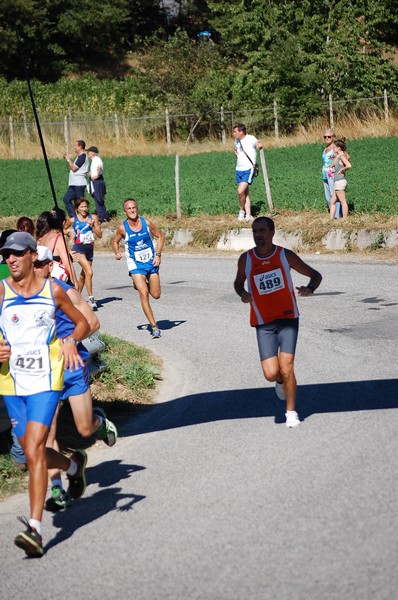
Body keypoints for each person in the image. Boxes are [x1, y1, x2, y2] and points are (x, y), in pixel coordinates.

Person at [0, 232, 90, 557]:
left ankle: (35, 529)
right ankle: (72, 466)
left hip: (45, 379)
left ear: (30, 256)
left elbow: (82, 324)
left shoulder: (52, 291)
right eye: (5, 255)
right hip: (11, 382)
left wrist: (69, 341)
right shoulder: (1, 291)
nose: (9, 260)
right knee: (29, 452)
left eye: (15, 254)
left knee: (36, 447)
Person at [32, 245, 117, 511]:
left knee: (83, 429)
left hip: (71, 365)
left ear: (49, 265)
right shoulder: (22, 298)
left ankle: (99, 422)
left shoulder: (65, 291)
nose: (36, 269)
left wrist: (70, 340)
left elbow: (93, 322)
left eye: (40, 264)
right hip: (43, 372)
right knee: (48, 432)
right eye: (32, 264)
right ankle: (57, 489)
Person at [234, 217, 322, 428]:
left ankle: (290, 411)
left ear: (272, 232)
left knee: (287, 366)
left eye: (262, 230)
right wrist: (243, 293)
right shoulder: (246, 259)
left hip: (288, 318)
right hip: (263, 322)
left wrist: (310, 288)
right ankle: (280, 381)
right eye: (255, 231)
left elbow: (315, 275)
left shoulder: (285, 256)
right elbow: (238, 283)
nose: (258, 235)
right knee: (271, 373)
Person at [112, 199, 165, 339]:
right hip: (135, 264)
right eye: (129, 208)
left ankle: (137, 284)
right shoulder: (122, 228)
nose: (132, 210)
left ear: (137, 208)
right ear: (125, 212)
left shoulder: (146, 223)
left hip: (150, 262)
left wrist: (158, 255)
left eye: (134, 207)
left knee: (156, 295)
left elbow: (160, 236)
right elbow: (115, 241)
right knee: (144, 292)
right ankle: (154, 326)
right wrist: (116, 252)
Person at [65, 197, 102, 310]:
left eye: (86, 206)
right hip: (79, 248)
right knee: (89, 272)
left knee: (83, 275)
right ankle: (91, 299)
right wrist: (69, 233)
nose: (84, 209)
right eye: (82, 207)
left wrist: (92, 227)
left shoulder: (93, 217)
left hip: (89, 248)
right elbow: (63, 229)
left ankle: (77, 298)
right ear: (77, 208)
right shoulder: (72, 220)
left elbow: (99, 234)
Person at [36, 209, 79, 288]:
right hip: (55, 282)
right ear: (63, 223)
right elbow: (67, 263)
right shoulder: (59, 238)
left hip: (43, 279)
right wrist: (75, 282)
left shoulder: (42, 238)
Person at [233, 123, 263, 222]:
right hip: (239, 169)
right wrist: (238, 156)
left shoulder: (250, 138)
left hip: (248, 169)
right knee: (245, 193)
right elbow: (235, 150)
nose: (233, 134)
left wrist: (259, 145)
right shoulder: (236, 141)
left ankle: (241, 211)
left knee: (240, 191)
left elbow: (257, 143)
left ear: (241, 132)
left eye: (235, 132)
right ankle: (248, 215)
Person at [63, 140, 88, 217]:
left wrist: (68, 159)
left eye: (75, 146)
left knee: (80, 203)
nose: (74, 147)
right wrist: (69, 160)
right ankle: (74, 216)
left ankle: (82, 217)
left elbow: (74, 168)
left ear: (80, 147)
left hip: (79, 184)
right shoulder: (79, 157)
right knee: (66, 199)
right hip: (74, 183)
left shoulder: (83, 156)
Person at [330, 139, 352, 220]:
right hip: (337, 182)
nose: (333, 149)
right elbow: (331, 165)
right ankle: (331, 219)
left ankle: (345, 219)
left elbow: (349, 165)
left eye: (334, 147)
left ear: (338, 148)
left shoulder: (342, 156)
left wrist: (342, 170)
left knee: (343, 201)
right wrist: (338, 155)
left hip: (340, 181)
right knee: (332, 202)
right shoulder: (339, 156)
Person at [322, 128, 341, 218]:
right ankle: (332, 213)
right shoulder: (326, 148)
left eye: (329, 137)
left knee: (334, 194)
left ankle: (337, 214)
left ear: (333, 137)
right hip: (325, 174)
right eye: (325, 137)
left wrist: (337, 166)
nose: (327, 138)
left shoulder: (334, 148)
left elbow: (345, 156)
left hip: (332, 174)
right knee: (327, 196)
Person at [87, 146, 108, 223]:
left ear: (92, 153)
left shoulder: (96, 159)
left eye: (88, 152)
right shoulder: (94, 160)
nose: (87, 154)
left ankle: (102, 218)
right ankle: (103, 217)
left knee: (98, 199)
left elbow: (99, 167)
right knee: (98, 199)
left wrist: (97, 175)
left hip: (97, 181)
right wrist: (91, 174)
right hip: (96, 180)